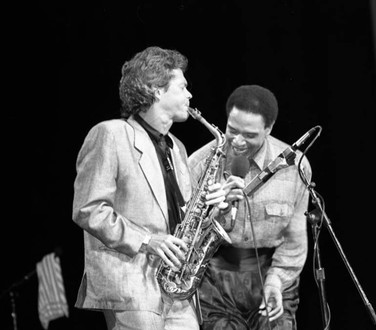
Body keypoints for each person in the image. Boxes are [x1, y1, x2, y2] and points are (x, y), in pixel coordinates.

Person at [72, 46, 229, 330]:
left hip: (177, 287)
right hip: (132, 285)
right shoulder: (110, 134)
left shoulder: (177, 148)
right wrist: (148, 240)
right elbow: (88, 210)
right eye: (182, 87)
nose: (190, 95)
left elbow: (185, 219)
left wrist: (214, 207)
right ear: (156, 90)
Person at [189, 85, 312, 330]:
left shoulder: (294, 167)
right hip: (214, 279)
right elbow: (187, 238)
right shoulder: (199, 164)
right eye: (232, 130)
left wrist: (277, 281)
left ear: (269, 128)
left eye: (250, 135)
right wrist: (217, 210)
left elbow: (295, 239)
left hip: (271, 273)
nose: (238, 141)